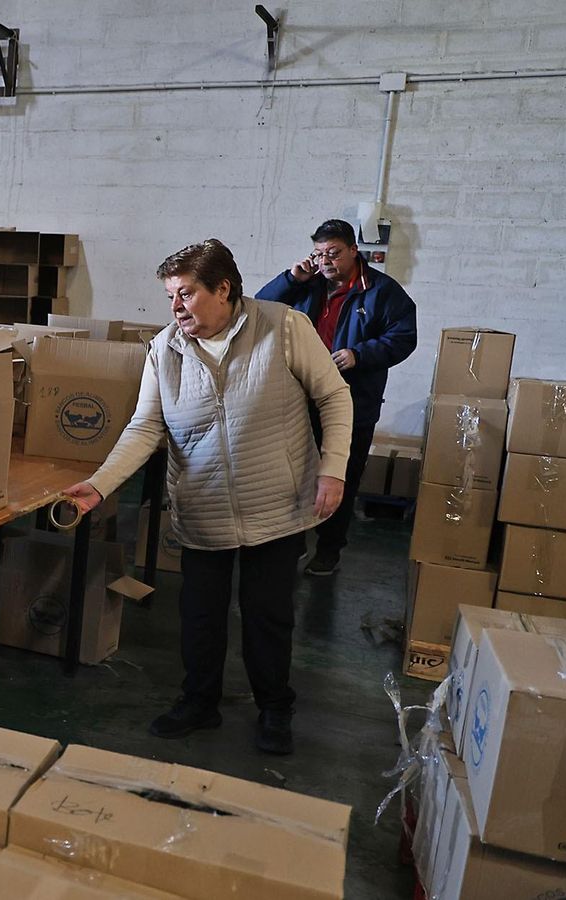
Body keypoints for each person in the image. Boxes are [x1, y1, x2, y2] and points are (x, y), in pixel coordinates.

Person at [63, 239, 352, 756]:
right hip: (203, 506)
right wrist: (101, 483)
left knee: (268, 616)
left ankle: (274, 708)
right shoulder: (165, 348)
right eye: (171, 295)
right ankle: (199, 702)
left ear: (224, 289)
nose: (176, 307)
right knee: (200, 615)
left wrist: (333, 470)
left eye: (186, 293)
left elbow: (334, 395)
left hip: (276, 504)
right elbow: (145, 426)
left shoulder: (283, 327)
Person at [256, 219, 417, 576]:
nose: (326, 261)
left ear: (353, 251)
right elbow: (259, 308)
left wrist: (361, 355)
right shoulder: (307, 283)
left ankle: (329, 550)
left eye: (333, 253)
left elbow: (404, 337)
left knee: (340, 475)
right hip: (301, 397)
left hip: (354, 400)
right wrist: (291, 279)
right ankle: (294, 543)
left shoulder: (381, 291)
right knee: (295, 473)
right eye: (319, 253)